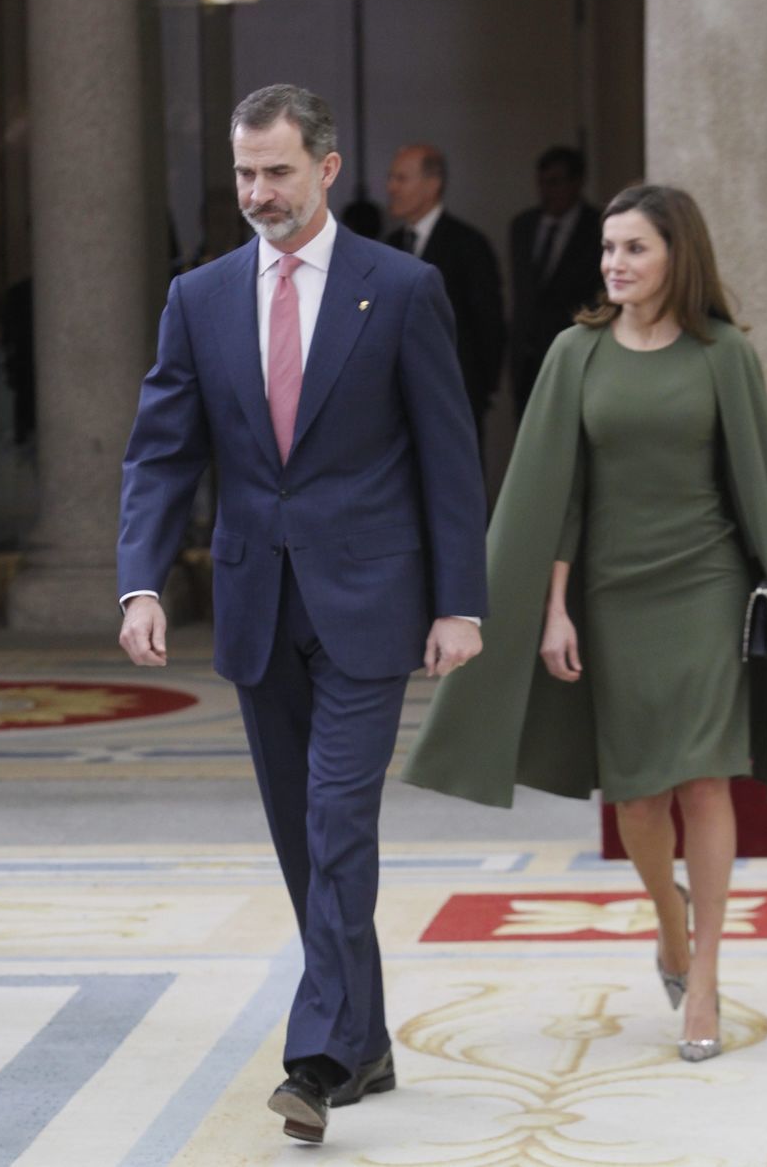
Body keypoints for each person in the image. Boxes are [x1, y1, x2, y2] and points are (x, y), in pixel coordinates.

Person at [117, 84, 488, 1144]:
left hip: (372, 602)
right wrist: (140, 579)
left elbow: (447, 453)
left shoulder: (402, 289)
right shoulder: (200, 297)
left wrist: (459, 600)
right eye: (243, 173)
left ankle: (317, 1055)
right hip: (254, 602)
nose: (257, 193)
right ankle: (365, 1035)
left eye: (277, 171)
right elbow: (162, 452)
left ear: (327, 168)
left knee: (336, 823)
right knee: (300, 839)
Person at [403, 184, 767, 1062]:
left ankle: (703, 976)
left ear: (677, 256)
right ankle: (668, 919)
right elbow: (560, 496)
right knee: (635, 794)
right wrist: (553, 611)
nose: (615, 265)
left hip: (704, 587)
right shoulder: (576, 352)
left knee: (703, 779)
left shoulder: (724, 354)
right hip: (611, 596)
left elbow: (755, 487)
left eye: (634, 248)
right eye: (607, 250)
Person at [385, 144, 505, 454]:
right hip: (395, 399)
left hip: (454, 393)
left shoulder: (468, 245)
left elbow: (488, 324)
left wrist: (479, 391)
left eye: (401, 178)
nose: (391, 188)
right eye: (391, 178)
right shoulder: (388, 246)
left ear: (432, 184)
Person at [508, 146, 603, 420]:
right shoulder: (523, 226)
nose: (547, 191)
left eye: (555, 182)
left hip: (576, 353)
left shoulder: (597, 227)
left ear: (577, 182)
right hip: (526, 360)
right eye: (542, 183)